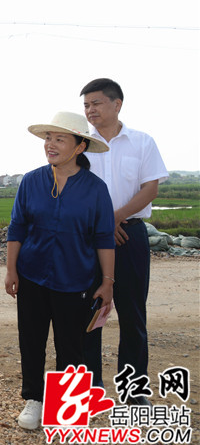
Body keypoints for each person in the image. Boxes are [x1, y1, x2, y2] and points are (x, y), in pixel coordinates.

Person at [5, 111, 116, 430]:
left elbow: (104, 237)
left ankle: (67, 406)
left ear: (80, 147)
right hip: (32, 275)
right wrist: (11, 270)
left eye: (60, 138)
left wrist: (107, 282)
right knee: (32, 339)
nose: (50, 145)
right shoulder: (31, 180)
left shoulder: (95, 189)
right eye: (48, 138)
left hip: (76, 278)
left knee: (71, 344)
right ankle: (34, 400)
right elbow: (17, 227)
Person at [80, 78, 168, 405]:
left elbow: (150, 189)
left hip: (129, 234)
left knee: (132, 314)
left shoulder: (142, 143)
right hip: (89, 237)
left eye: (96, 103)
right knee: (90, 313)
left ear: (117, 104)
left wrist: (115, 218)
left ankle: (133, 391)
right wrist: (102, 222)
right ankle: (90, 390)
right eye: (86, 105)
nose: (90, 110)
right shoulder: (81, 145)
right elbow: (75, 188)